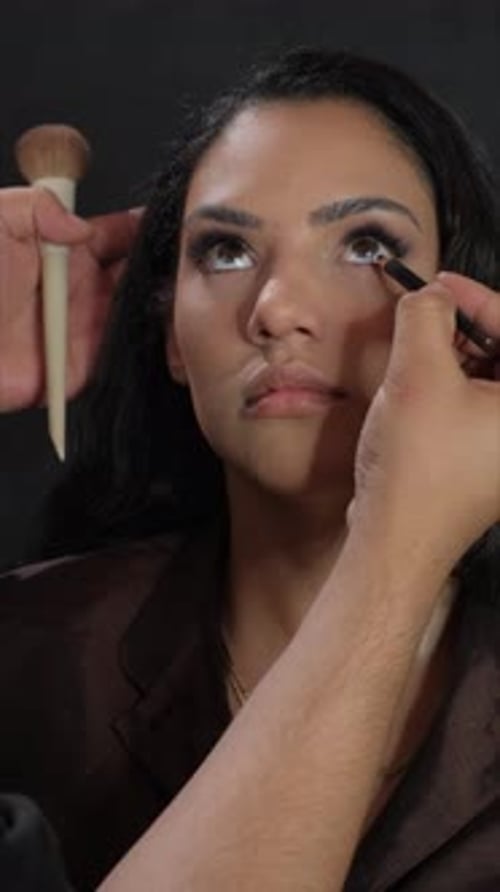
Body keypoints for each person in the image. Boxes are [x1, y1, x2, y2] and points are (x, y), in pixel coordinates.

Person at [0, 48, 499, 891]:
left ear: (465, 315)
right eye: (226, 252)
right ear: (169, 339)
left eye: (367, 244)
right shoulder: (23, 658)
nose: (276, 311)